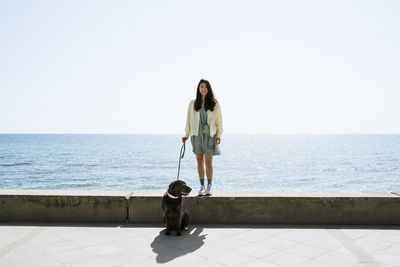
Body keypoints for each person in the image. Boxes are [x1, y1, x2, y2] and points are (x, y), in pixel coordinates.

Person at [182, 79, 223, 196]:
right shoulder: (193, 103)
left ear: (208, 89)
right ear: (198, 89)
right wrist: (186, 135)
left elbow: (219, 121)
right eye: (201, 87)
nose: (203, 89)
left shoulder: (214, 103)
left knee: (209, 161)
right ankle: (201, 186)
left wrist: (219, 135)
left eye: (205, 87)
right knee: (199, 161)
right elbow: (188, 121)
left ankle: (209, 186)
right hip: (197, 135)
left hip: (210, 135)